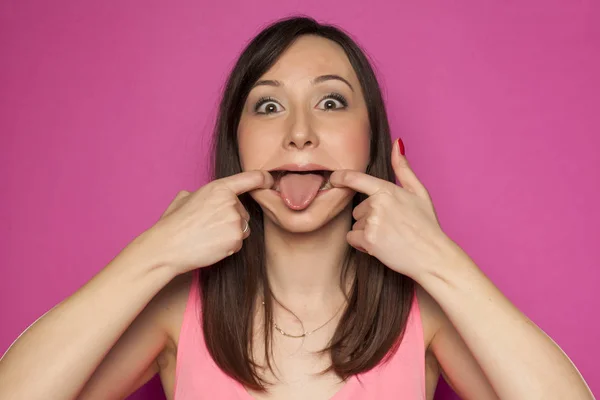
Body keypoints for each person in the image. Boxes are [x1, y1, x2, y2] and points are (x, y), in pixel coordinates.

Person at [0, 16, 594, 400]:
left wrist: (440, 261)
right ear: (236, 144)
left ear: (371, 138)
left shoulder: (426, 316)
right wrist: (151, 254)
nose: (301, 134)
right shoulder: (178, 309)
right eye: (267, 107)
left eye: (331, 102)